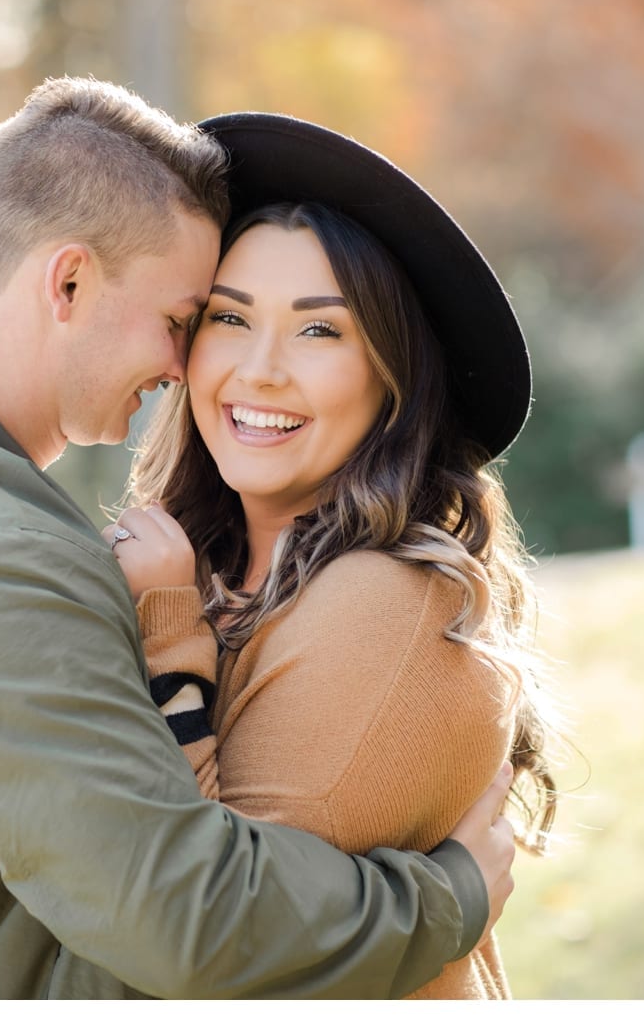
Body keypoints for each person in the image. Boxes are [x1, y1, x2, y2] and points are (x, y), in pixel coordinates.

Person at [0, 79, 518, 1000]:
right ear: (68, 280)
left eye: (318, 329)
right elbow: (195, 933)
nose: (181, 366)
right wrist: (448, 895)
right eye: (195, 320)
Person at [105, 112, 560, 999]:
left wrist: (168, 640)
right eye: (229, 319)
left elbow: (212, 946)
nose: (260, 370)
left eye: (319, 332)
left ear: (393, 378)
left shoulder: (391, 607)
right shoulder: (206, 571)